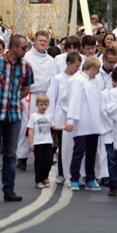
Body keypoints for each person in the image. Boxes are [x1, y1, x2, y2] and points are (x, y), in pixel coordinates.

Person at [0, 34, 34, 202]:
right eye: (24, 47)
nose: (26, 51)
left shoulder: (26, 66)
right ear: (14, 47)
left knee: (10, 154)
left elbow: (26, 88)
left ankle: (8, 189)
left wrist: (15, 98)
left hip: (14, 114)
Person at [65, 56, 104, 191]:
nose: (98, 73)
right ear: (92, 68)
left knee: (92, 152)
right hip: (81, 122)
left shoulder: (94, 81)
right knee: (79, 151)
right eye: (97, 70)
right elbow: (73, 101)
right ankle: (74, 178)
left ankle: (90, 178)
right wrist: (70, 120)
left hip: (94, 122)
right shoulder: (77, 80)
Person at [19, 30, 55, 171]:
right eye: (40, 40)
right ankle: (22, 156)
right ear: (34, 41)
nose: (43, 43)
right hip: (30, 95)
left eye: (45, 41)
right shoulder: (27, 57)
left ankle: (41, 157)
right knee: (27, 126)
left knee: (43, 127)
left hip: (44, 96)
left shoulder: (51, 60)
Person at [48, 52, 83, 184]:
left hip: (75, 115)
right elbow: (52, 97)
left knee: (76, 145)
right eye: (76, 66)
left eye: (79, 66)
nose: (77, 69)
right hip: (61, 116)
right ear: (68, 63)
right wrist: (51, 117)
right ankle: (62, 172)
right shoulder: (58, 78)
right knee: (63, 145)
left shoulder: (80, 78)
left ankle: (76, 172)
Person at [27, 94, 62, 188]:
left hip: (48, 142)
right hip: (38, 142)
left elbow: (54, 126)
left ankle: (45, 177)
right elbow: (30, 130)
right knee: (39, 162)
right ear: (37, 104)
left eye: (45, 104)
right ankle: (38, 181)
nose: (43, 106)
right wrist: (31, 143)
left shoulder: (49, 116)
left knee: (48, 161)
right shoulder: (33, 116)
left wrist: (64, 127)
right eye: (41, 104)